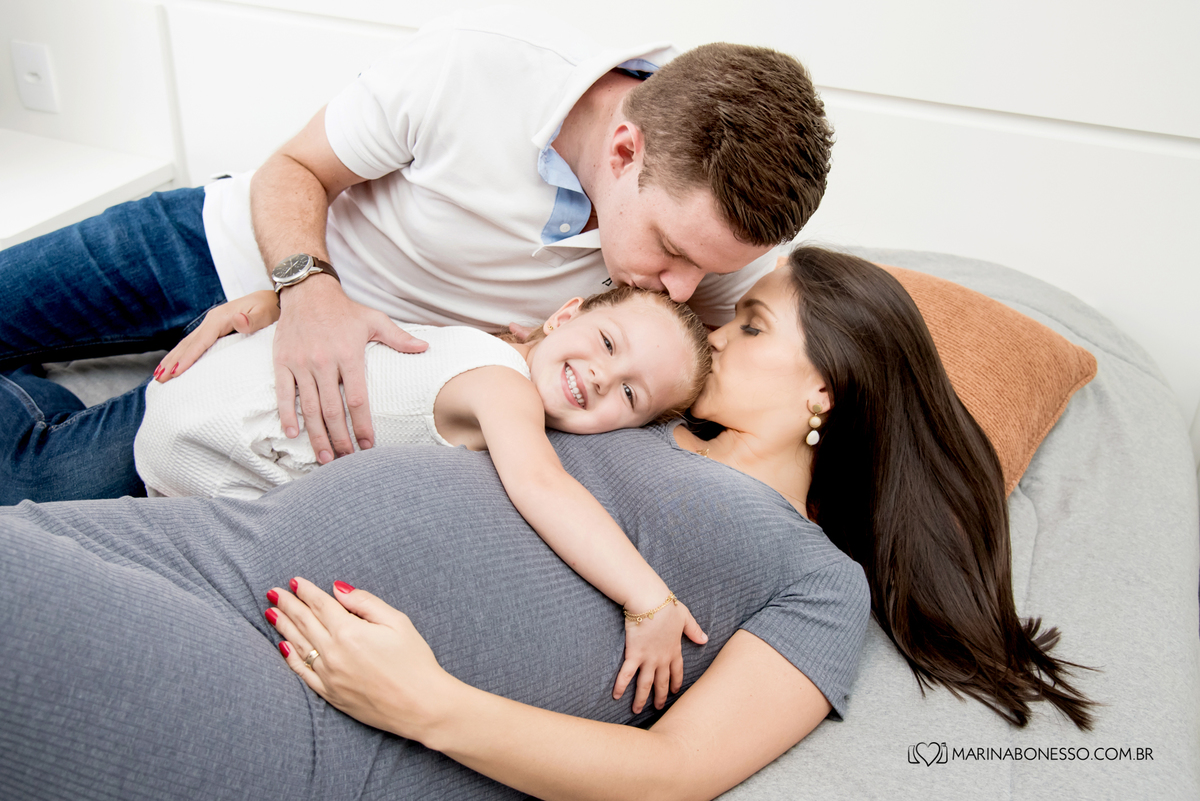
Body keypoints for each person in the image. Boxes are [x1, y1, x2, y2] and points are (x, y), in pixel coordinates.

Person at [0, 248, 1092, 801]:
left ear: (829, 388)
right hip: (194, 547)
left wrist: (428, 704)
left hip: (305, 700)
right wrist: (283, 304)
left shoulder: (814, 581)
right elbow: (450, 353)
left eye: (754, 324)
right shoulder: (626, 403)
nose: (716, 335)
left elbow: (673, 773)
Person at [0, 7, 834, 504]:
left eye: (706, 269)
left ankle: (36, 398)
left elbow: (810, 344)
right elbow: (294, 169)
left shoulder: (712, 241)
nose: (686, 290)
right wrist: (307, 293)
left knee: (32, 484)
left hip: (313, 378)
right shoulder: (475, 65)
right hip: (216, 244)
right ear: (624, 151)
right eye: (672, 252)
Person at [136, 285, 715, 708]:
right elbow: (542, 485)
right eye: (608, 343)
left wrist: (267, 303)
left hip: (208, 384)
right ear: (566, 313)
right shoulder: (505, 387)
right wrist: (648, 598)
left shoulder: (477, 343)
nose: (602, 377)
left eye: (630, 394)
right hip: (213, 438)